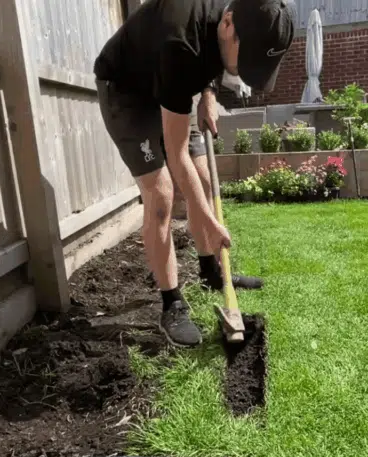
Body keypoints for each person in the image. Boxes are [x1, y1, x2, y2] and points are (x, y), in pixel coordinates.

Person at [93, 0, 295, 347]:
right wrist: (211, 222)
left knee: (202, 178)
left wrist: (208, 93)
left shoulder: (227, 17)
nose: (244, 70)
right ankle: (171, 303)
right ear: (229, 25)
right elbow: (175, 153)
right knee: (162, 196)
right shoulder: (180, 43)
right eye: (247, 59)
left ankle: (211, 273)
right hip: (128, 90)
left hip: (176, 80)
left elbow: (211, 51)